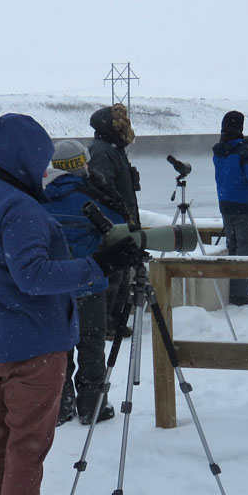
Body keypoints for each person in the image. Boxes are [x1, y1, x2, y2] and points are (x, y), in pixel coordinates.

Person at [0, 113, 143, 495]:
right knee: (26, 447)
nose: (43, 171)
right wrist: (97, 264)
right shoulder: (20, 209)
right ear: (25, 158)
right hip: (30, 345)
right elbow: (33, 275)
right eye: (39, 161)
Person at [42, 138, 124, 426]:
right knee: (91, 344)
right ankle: (92, 405)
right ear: (81, 165)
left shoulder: (41, 197)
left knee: (59, 347)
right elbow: (116, 228)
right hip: (89, 282)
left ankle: (60, 405)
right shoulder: (90, 198)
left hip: (54, 286)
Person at [88, 103, 140, 337]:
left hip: (120, 220)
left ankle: (114, 321)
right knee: (114, 273)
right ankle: (109, 323)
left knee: (121, 272)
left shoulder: (112, 149)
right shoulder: (103, 150)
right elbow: (103, 189)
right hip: (113, 223)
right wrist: (116, 219)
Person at [212, 110, 248, 306]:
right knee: (245, 247)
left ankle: (231, 287)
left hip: (224, 203)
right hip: (243, 204)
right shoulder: (244, 151)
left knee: (232, 245)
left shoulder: (218, 150)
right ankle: (241, 292)